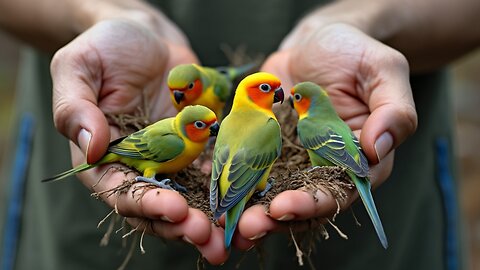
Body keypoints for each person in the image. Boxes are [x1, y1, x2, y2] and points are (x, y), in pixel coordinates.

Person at [0, 0, 478, 269]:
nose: (279, 97)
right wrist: (100, 16)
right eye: (269, 91)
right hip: (82, 235)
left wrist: (362, 21)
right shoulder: (241, 123)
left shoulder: (252, 123)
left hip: (380, 227)